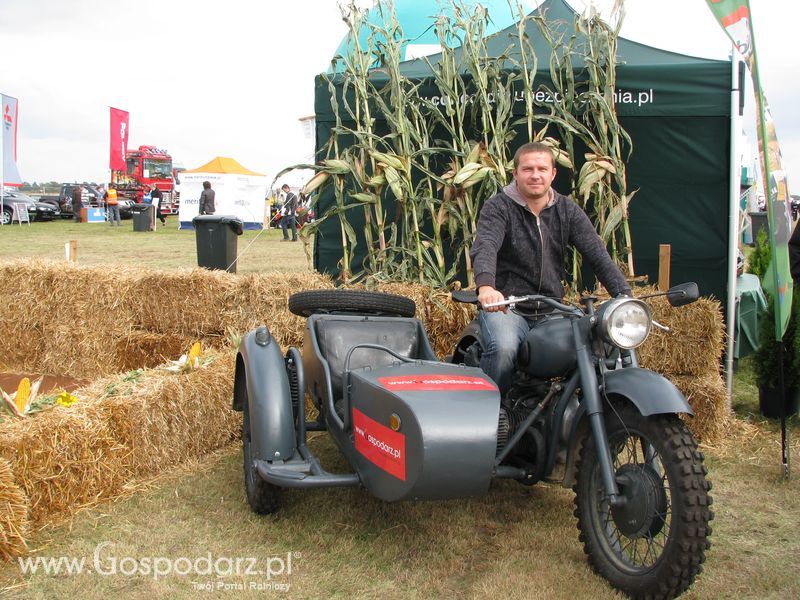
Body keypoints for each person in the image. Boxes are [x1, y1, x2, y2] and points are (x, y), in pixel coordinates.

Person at [470, 141, 632, 394]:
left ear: (553, 174)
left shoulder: (567, 210)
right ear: (515, 173)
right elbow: (486, 246)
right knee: (504, 348)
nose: (535, 175)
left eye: (542, 169)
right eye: (528, 169)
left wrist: (624, 296)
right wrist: (487, 287)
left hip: (553, 309)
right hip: (507, 309)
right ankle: (488, 415)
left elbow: (597, 254)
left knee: (600, 343)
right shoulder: (498, 207)